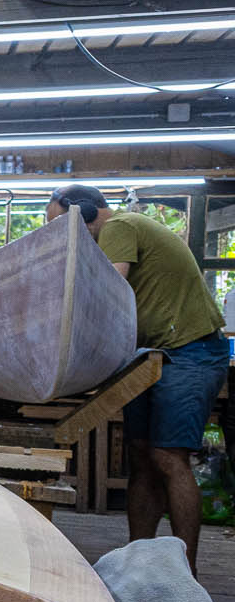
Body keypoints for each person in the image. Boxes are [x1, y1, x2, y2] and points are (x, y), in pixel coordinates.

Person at [46, 184, 229, 572]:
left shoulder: (120, 226)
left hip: (190, 350)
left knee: (168, 456)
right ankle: (140, 565)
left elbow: (108, 292)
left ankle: (185, 574)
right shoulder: (109, 238)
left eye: (62, 226)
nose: (64, 237)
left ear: (86, 214)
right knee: (141, 457)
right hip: (152, 354)